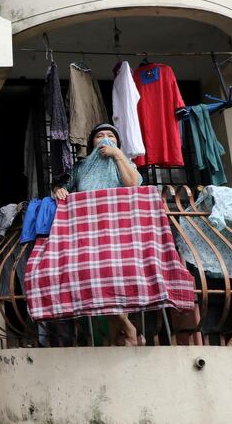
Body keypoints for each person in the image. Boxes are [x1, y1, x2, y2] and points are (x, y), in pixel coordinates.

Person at [52, 123, 144, 346]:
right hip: (89, 232)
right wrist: (59, 191)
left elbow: (132, 185)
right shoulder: (81, 167)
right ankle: (125, 329)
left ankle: (120, 333)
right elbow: (64, 187)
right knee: (97, 279)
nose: (105, 139)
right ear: (92, 143)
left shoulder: (126, 163)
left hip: (120, 231)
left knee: (115, 279)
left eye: (110, 136)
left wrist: (117, 155)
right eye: (99, 136)